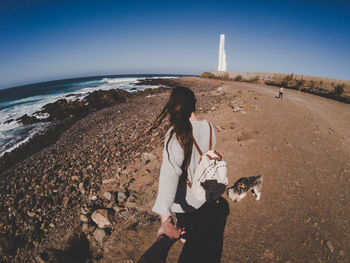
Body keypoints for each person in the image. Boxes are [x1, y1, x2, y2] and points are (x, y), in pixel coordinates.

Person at [149, 87, 229, 263]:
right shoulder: (208, 126)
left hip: (185, 202)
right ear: (195, 104)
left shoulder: (175, 134)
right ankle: (190, 235)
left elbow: (169, 177)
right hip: (203, 194)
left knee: (186, 229)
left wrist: (165, 218)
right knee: (198, 224)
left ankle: (186, 237)